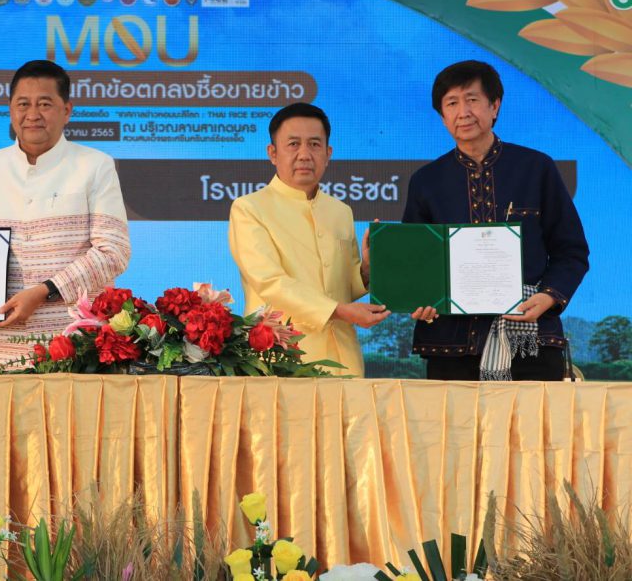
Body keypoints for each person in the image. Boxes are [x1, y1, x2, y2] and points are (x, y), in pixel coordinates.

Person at [404, 60, 589, 381]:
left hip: (531, 338)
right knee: (451, 418)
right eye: (452, 103)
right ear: (443, 116)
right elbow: (416, 262)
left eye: (472, 100)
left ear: (494, 106)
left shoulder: (537, 168)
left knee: (532, 417)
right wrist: (420, 298)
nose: (463, 112)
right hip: (450, 345)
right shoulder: (426, 181)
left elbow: (571, 252)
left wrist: (548, 296)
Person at [0, 60, 131, 369]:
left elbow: (113, 252)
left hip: (78, 351)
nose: (33, 114)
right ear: (10, 110)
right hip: (0, 354)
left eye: (45, 104)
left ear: (67, 110)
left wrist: (45, 291)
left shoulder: (96, 165)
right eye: (23, 104)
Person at [228, 103, 389, 377]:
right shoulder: (249, 208)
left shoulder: (340, 211)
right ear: (272, 153)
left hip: (343, 356)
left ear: (328, 154)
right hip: (279, 356)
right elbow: (270, 282)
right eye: (293, 144)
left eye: (314, 144)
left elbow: (340, 288)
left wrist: (365, 270)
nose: (304, 154)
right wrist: (341, 311)